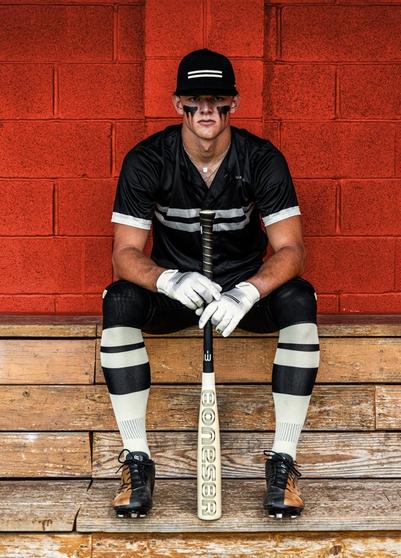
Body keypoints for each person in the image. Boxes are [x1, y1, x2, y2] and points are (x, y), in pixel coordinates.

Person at [100, 48, 319, 520]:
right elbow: (124, 254)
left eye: (216, 100)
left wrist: (250, 291)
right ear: (178, 103)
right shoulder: (147, 159)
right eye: (194, 99)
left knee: (301, 297)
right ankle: (137, 462)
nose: (205, 110)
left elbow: (292, 250)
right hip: (179, 294)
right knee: (118, 300)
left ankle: (283, 463)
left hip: (241, 298)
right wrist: (167, 279)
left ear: (232, 105)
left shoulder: (260, 159)